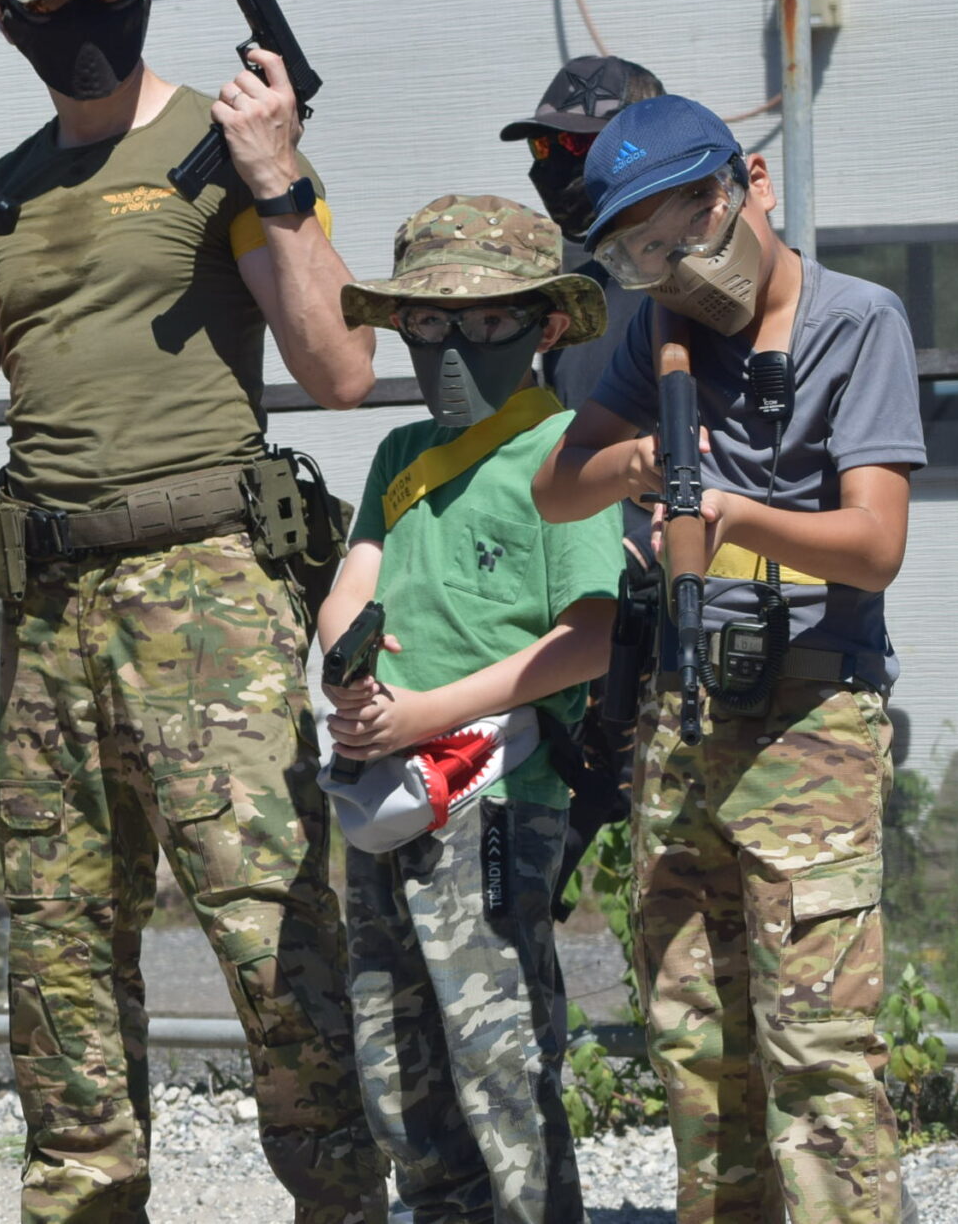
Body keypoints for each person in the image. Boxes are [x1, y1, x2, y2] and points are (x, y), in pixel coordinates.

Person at [0, 0, 384, 1223]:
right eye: (59, 5)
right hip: (48, 606)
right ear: (5, 15)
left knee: (268, 926)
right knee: (60, 949)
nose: (89, 23)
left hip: (207, 587)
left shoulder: (226, 150)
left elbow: (340, 367)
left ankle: (342, 1200)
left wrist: (277, 178)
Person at [535, 94, 922, 1224]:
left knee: (817, 1044)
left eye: (689, 229)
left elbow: (876, 544)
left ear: (750, 183)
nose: (677, 265)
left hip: (811, 711)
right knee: (697, 1042)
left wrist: (733, 512)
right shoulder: (655, 333)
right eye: (642, 251)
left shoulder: (857, 320)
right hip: (684, 706)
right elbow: (557, 485)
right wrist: (637, 465)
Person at [312, 195, 621, 1224]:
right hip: (386, 789)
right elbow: (351, 585)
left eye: (487, 321)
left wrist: (426, 712)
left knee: (500, 1061)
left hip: (497, 791)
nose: (453, 349)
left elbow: (591, 634)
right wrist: (350, 675)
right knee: (395, 1056)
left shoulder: (566, 449)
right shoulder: (401, 454)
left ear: (545, 326)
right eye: (428, 322)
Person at [500, 54, 667, 412]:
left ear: (642, 147)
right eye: (543, 144)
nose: (554, 161)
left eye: (576, 143)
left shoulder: (692, 282)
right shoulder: (574, 296)